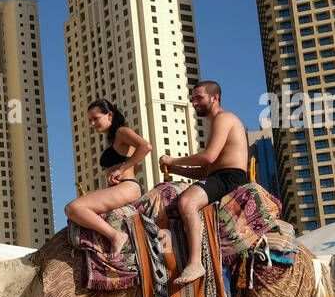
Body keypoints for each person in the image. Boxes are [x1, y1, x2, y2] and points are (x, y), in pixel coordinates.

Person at [158, 81, 249, 286]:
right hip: (219, 177)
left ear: (214, 97)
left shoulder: (224, 118)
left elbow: (208, 157)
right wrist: (174, 170)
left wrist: (173, 160)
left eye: (198, 98)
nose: (194, 102)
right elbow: (205, 171)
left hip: (229, 178)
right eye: (193, 99)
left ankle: (195, 263)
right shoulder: (216, 124)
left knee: (187, 202)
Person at [63, 99, 153, 253]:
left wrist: (123, 168)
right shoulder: (110, 140)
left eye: (95, 118)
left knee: (73, 208)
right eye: (90, 120)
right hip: (119, 187)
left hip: (128, 187)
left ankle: (116, 236)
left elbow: (146, 146)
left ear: (109, 115)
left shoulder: (121, 132)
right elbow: (136, 165)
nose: (92, 124)